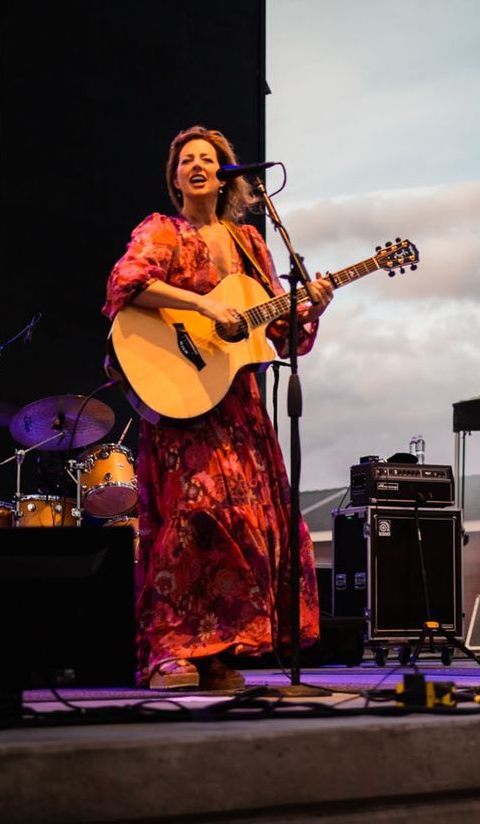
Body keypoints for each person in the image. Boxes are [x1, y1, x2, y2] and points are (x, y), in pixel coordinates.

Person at [102, 125, 334, 690]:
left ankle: (213, 652)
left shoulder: (251, 243)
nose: (198, 165)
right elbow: (126, 285)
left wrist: (311, 307)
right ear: (176, 177)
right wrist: (203, 307)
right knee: (192, 517)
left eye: (209, 159)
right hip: (182, 402)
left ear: (228, 175)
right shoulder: (164, 232)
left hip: (238, 405)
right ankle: (167, 652)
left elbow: (278, 332)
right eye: (187, 160)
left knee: (250, 522)